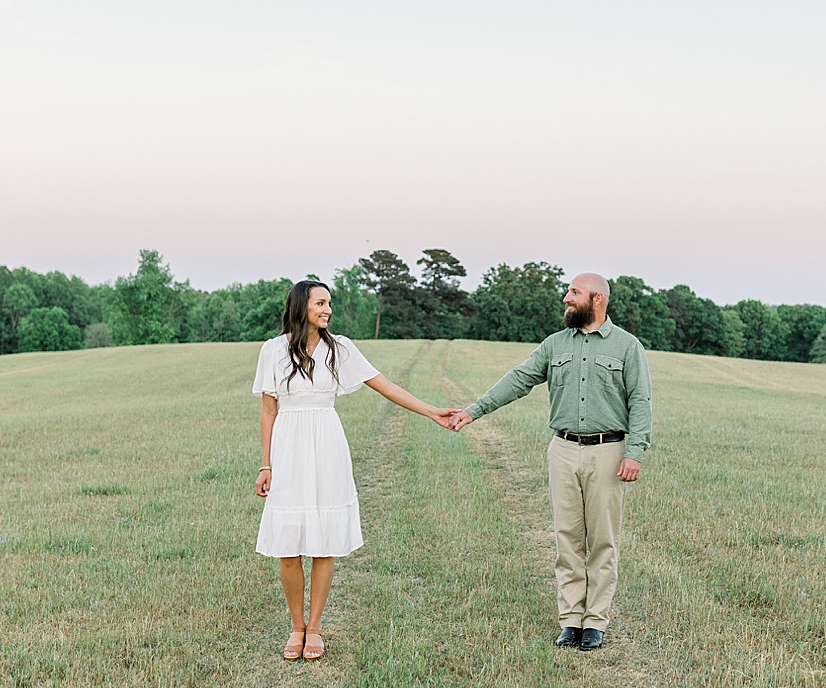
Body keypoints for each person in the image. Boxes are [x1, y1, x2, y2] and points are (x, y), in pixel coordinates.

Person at [254, 279, 457, 661]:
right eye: (320, 303)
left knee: (324, 541)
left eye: (329, 303)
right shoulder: (273, 350)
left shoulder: (340, 348)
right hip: (288, 448)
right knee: (288, 545)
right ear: (301, 307)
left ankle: (314, 628)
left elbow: (385, 385)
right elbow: (268, 410)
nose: (328, 309)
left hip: (327, 443)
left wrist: (432, 411)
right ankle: (295, 626)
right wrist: (266, 464)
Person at [445, 273, 650, 651]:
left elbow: (640, 401)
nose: (566, 299)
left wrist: (635, 452)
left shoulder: (627, 347)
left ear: (597, 299)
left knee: (603, 540)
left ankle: (596, 622)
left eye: (574, 293)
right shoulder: (554, 345)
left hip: (608, 451)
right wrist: (474, 411)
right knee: (567, 538)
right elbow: (520, 379)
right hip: (563, 449)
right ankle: (571, 619)